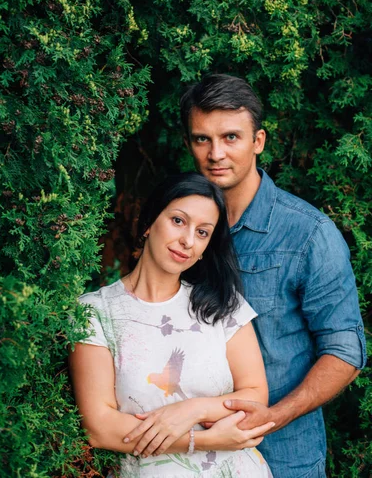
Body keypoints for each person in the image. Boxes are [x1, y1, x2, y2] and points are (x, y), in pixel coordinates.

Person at [180, 73, 367, 478]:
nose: (216, 154)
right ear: (189, 144)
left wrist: (272, 417)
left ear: (258, 142)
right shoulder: (179, 228)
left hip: (282, 456)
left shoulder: (308, 233)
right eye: (202, 139)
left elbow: (345, 350)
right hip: (190, 452)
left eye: (231, 137)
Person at [69, 172, 275, 478]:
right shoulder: (96, 312)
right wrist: (201, 440)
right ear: (150, 221)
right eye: (178, 220)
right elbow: (99, 427)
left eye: (203, 232)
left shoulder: (223, 305)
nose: (188, 241)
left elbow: (255, 395)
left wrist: (193, 410)